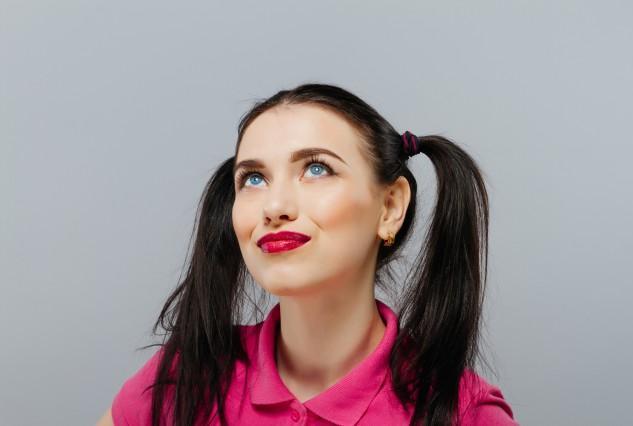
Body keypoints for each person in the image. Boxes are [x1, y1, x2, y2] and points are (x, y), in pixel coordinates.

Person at [97, 83, 519, 425]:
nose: (274, 206)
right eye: (254, 178)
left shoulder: (465, 413)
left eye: (317, 169)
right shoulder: (182, 380)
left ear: (390, 207)